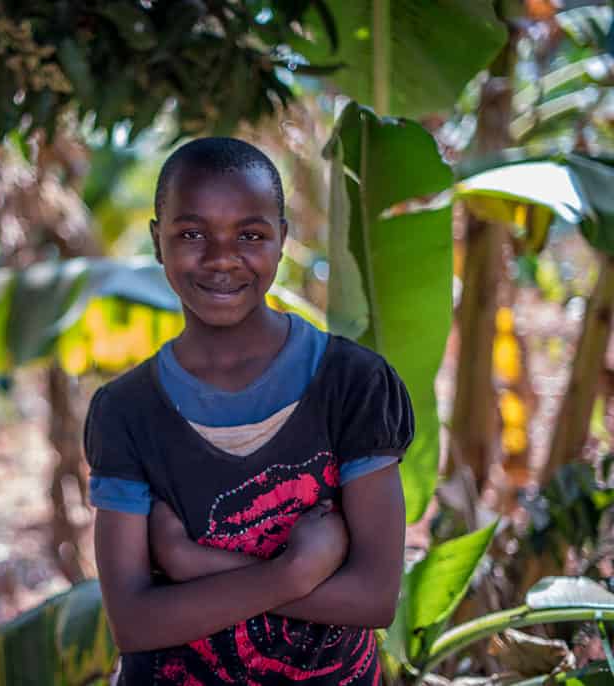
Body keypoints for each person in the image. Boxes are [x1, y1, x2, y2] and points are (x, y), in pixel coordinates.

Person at [84, 137, 414, 685]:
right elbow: (134, 623)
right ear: (156, 241)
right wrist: (293, 572)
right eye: (192, 234)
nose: (221, 258)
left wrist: (197, 566)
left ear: (282, 239)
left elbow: (373, 598)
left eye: (251, 235)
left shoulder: (353, 385)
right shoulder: (126, 412)